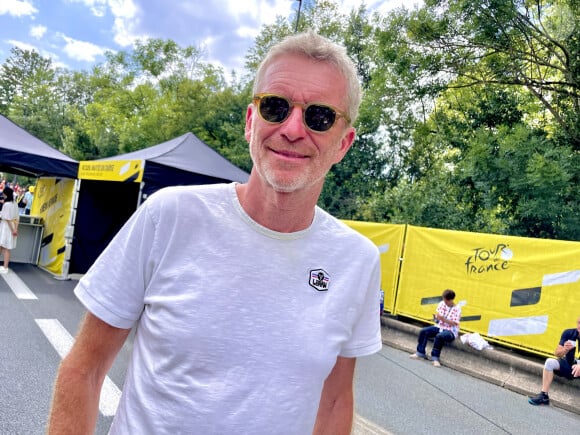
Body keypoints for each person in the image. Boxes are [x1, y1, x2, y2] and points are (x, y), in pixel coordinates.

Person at [47, 31, 382, 435]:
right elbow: (85, 366)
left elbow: (334, 400)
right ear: (250, 121)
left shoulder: (357, 262)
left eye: (320, 116)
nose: (293, 129)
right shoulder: (169, 216)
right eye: (275, 107)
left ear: (343, 143)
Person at [528, 317, 580, 406]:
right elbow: (557, 353)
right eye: (579, 322)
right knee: (550, 362)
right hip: (570, 365)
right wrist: (565, 349)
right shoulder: (569, 333)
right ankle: (544, 396)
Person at [409, 289, 461, 367]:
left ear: (451, 300)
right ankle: (420, 352)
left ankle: (435, 357)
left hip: (450, 331)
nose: (445, 302)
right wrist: (436, 318)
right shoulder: (442, 304)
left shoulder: (457, 309)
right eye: (444, 300)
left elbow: (454, 323)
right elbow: (438, 317)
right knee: (424, 331)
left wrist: (443, 319)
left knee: (439, 336)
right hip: (439, 326)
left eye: (447, 301)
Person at [0, 187, 19, 274]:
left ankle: (5, 267)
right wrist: (15, 229)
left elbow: (6, 218)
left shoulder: (6, 204)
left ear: (6, 194)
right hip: (12, 225)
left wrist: (12, 230)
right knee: (6, 247)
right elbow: (17, 218)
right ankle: (5, 267)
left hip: (5, 227)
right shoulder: (15, 204)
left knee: (4, 246)